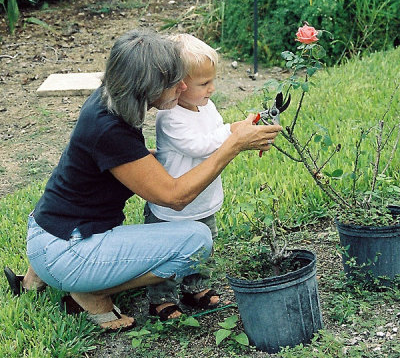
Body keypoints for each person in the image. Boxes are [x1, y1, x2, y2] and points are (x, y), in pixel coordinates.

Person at [4, 29, 282, 332]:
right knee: (197, 242)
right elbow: (174, 197)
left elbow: (129, 164)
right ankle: (91, 290)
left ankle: (41, 276)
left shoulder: (109, 103)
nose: (184, 85)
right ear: (146, 86)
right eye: (175, 81)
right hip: (68, 249)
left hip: (50, 234)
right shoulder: (110, 129)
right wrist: (233, 145)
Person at [144, 34, 236, 320]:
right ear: (179, 86)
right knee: (168, 253)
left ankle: (195, 287)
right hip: (173, 208)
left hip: (203, 199)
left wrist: (231, 131)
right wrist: (236, 131)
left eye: (212, 81)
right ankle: (161, 297)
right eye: (204, 83)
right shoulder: (169, 117)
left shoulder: (208, 107)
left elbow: (215, 133)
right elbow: (199, 145)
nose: (212, 88)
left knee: (203, 247)